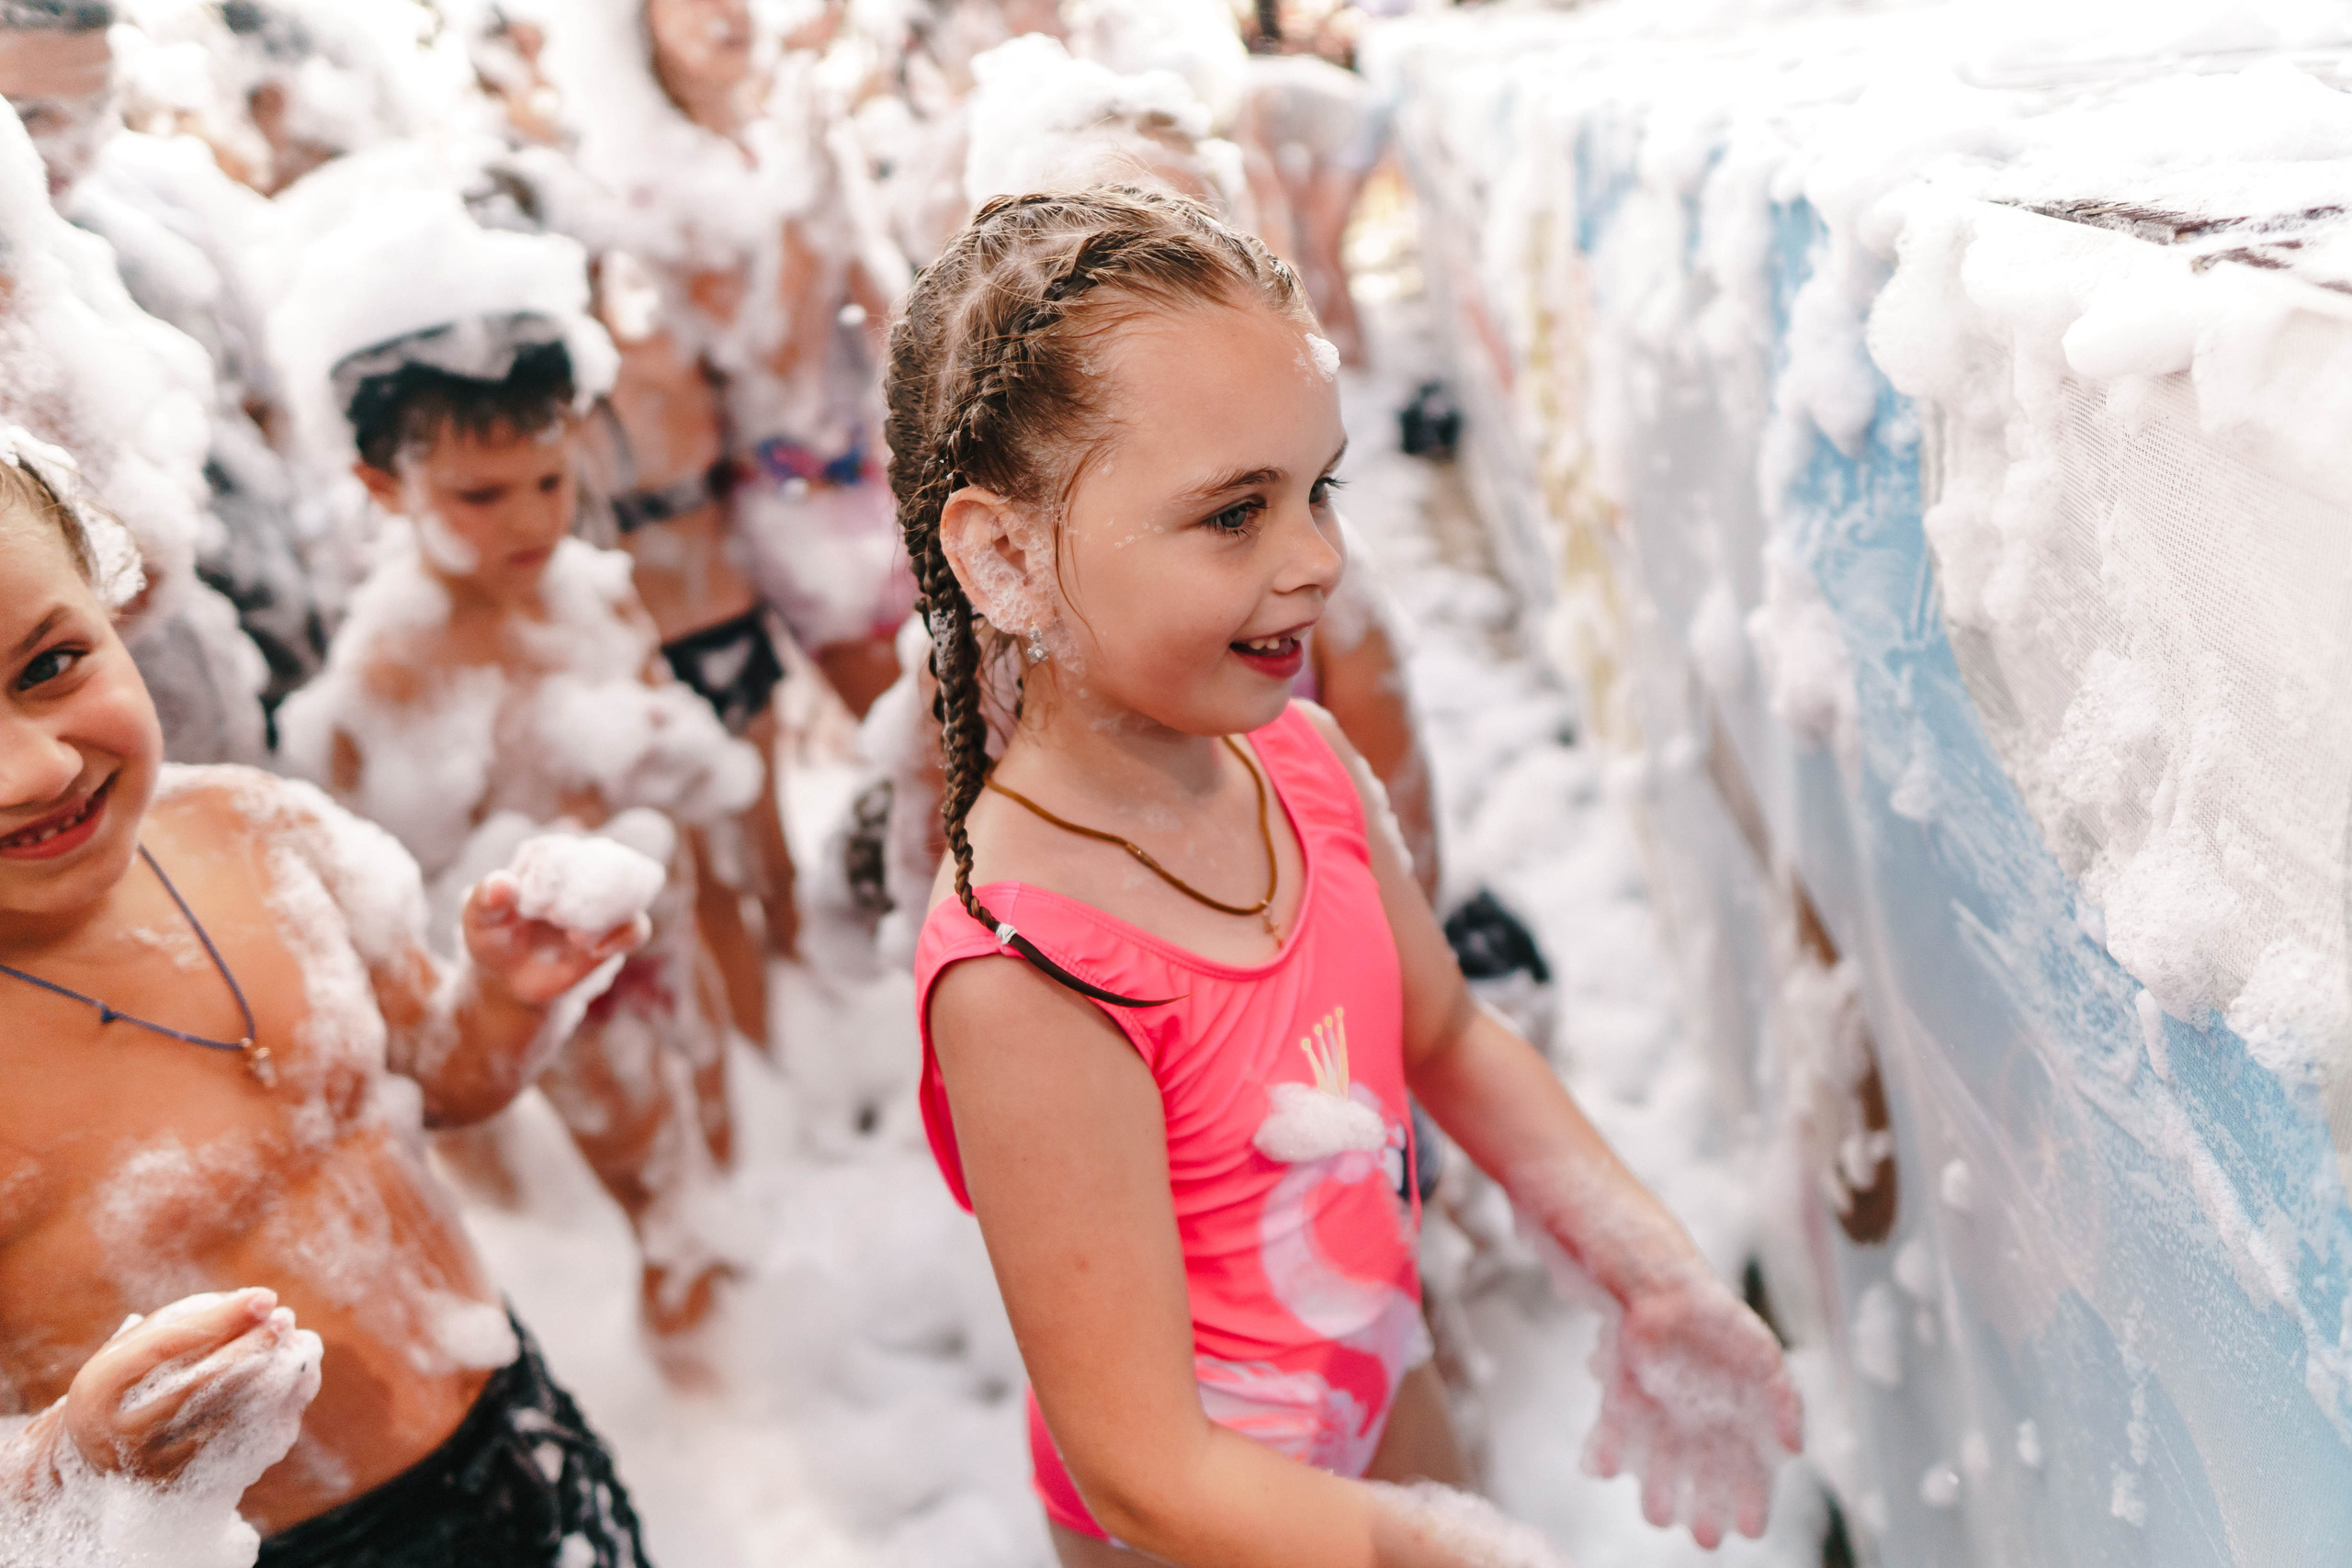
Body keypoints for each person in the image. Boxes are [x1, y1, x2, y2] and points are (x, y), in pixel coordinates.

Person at [893, 187, 1802, 1563]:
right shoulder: (1037, 969)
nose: (1316, 561)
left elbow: (1442, 1031)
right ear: (1009, 556)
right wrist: (1432, 1551)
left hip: (1382, 1409)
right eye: (1231, 515)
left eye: (1320, 491)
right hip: (1207, 1525)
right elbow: (1143, 1465)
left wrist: (1642, 1256)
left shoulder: (1303, 765)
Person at [0, 433, 657, 1566]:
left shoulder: (255, 829)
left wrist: (505, 1001)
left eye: (48, 665)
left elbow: (439, 1085)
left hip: (512, 1430)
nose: (35, 772)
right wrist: (71, 1468)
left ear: (112, 609)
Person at [274, 199, 765, 1341]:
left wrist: (671, 772)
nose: (532, 519)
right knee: (642, 1166)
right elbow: (396, 896)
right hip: (550, 967)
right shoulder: (390, 669)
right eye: (480, 496)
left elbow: (664, 729)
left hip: (653, 899)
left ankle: (733, 1271)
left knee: (708, 1094)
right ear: (384, 487)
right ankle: (700, 1364)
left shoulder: (590, 588)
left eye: (549, 481)